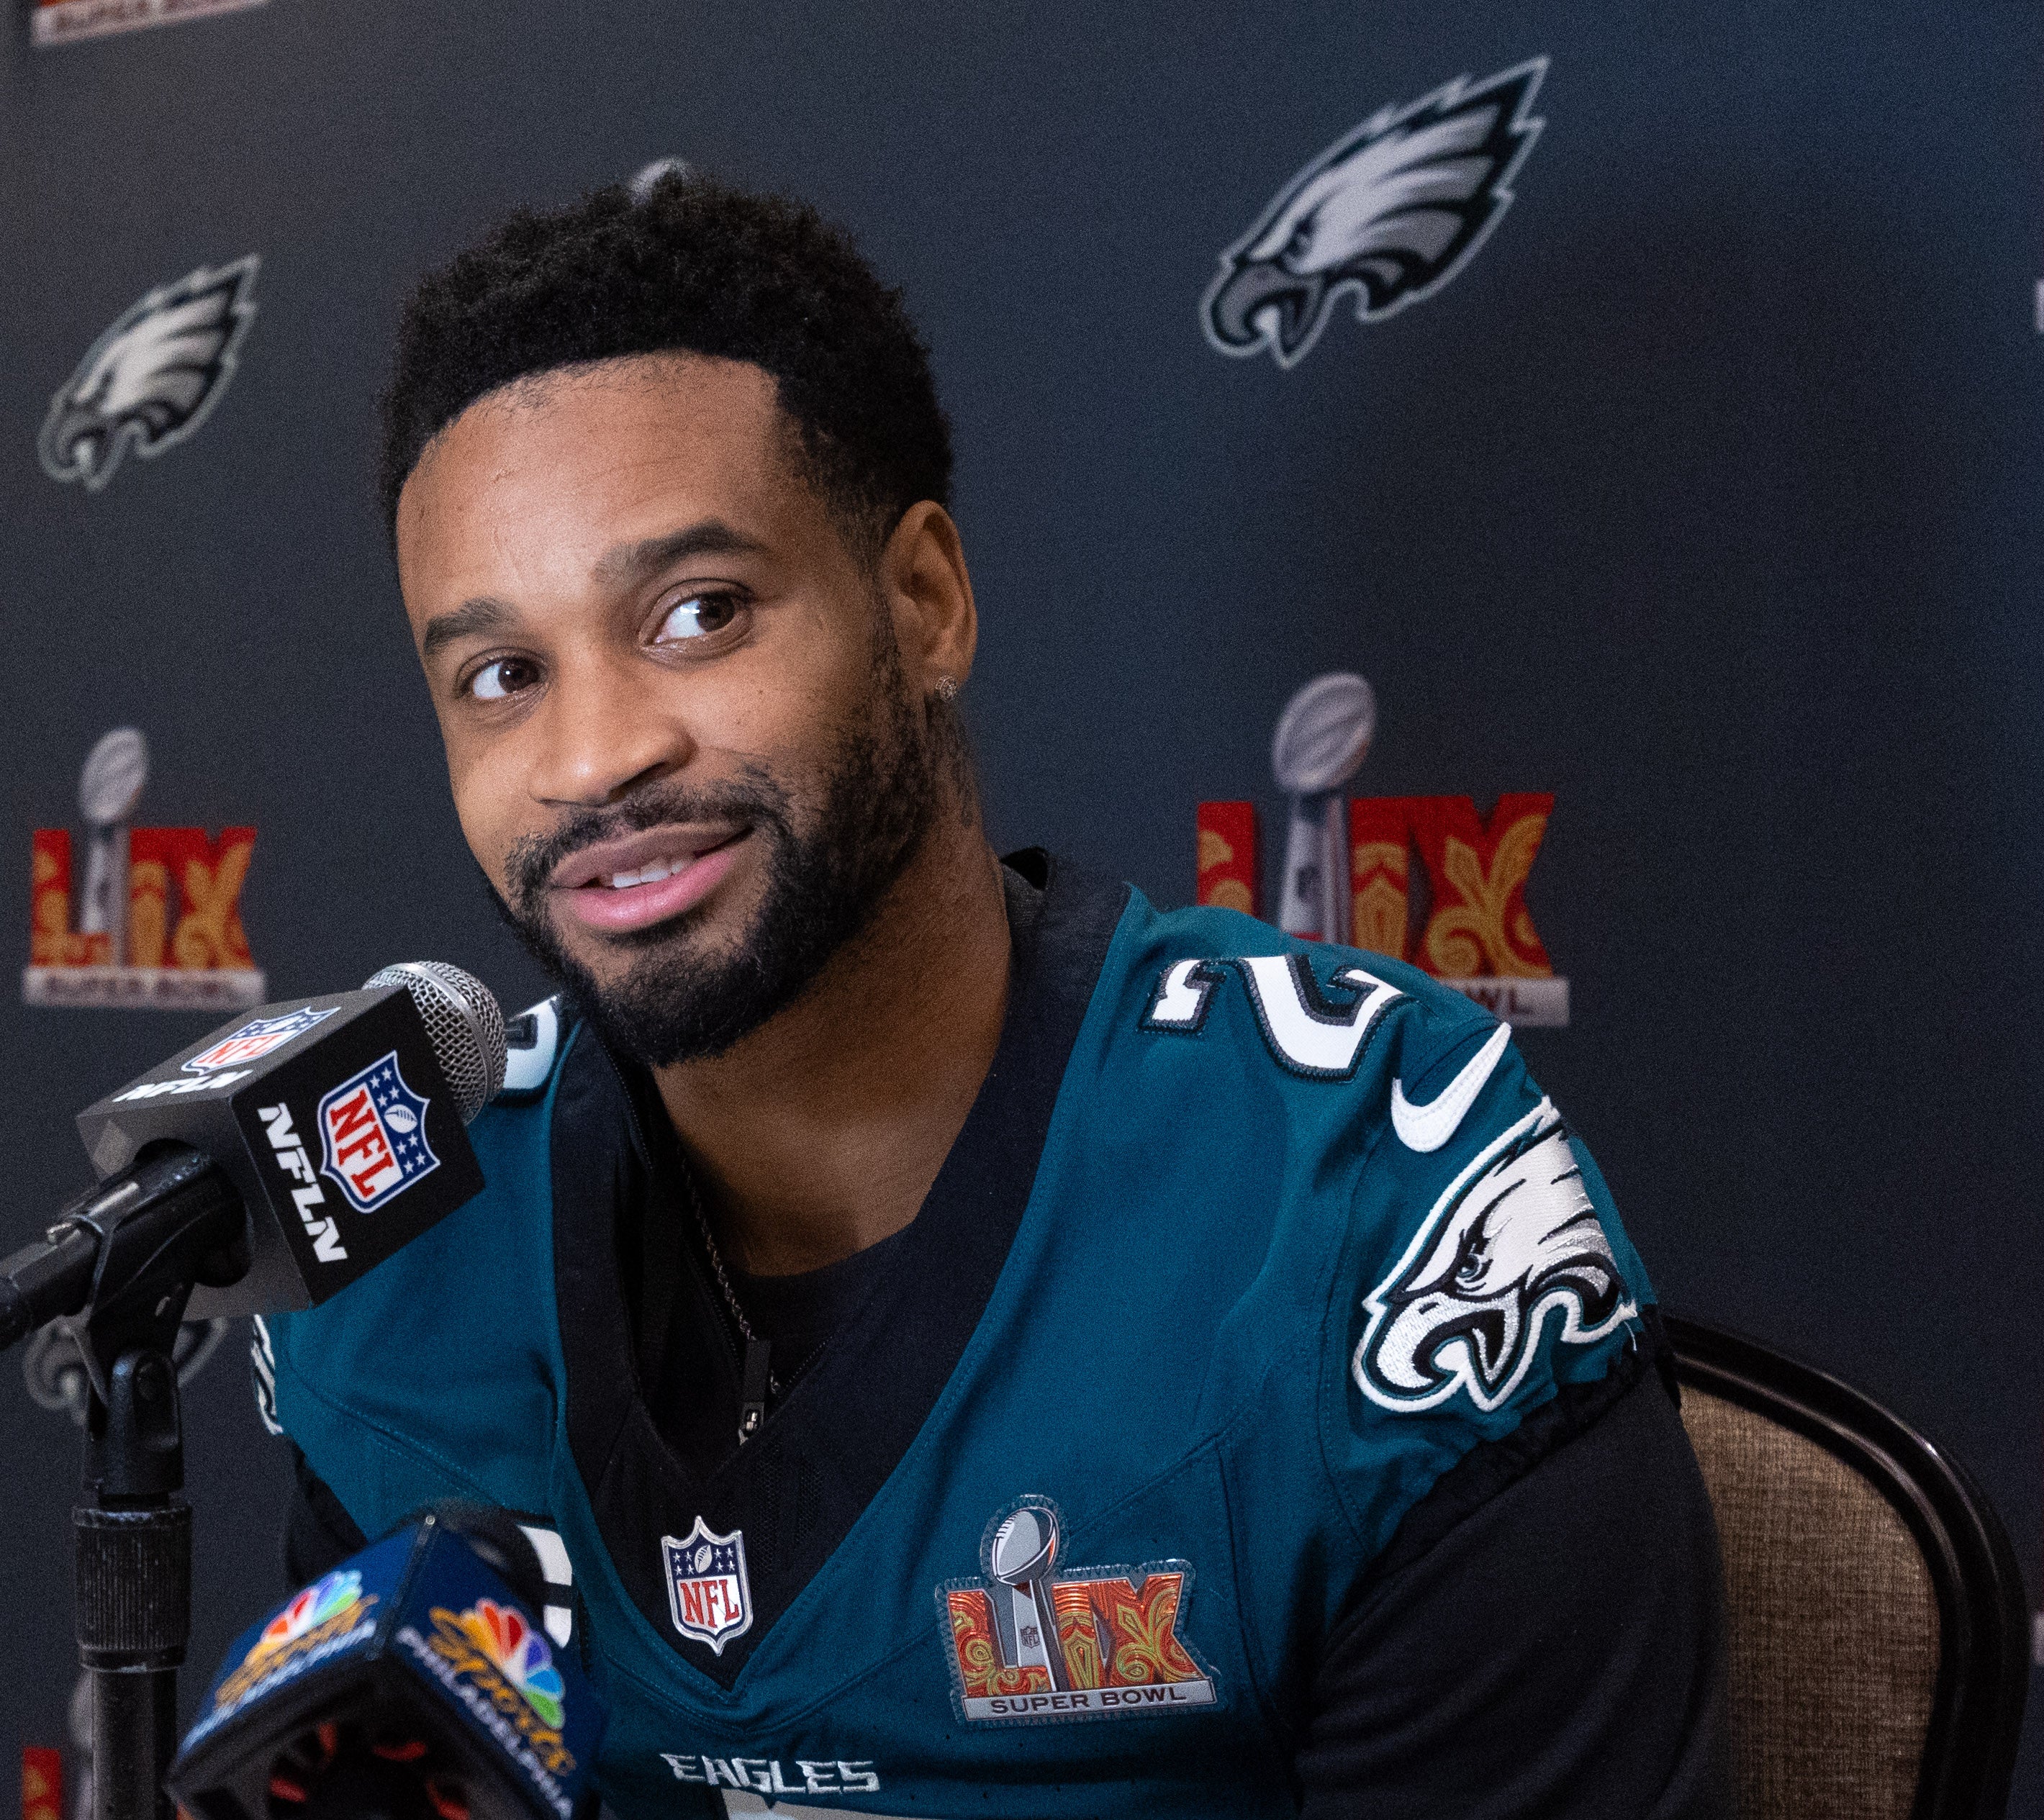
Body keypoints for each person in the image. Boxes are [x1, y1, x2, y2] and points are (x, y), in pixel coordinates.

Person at [260, 171, 1727, 1819]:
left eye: (699, 612)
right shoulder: (404, 1238)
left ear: (925, 602)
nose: (597, 754)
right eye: (502, 676)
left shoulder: (1368, 1211)